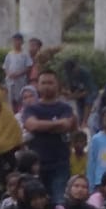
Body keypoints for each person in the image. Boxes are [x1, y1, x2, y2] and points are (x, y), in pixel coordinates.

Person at [20, 70, 77, 201]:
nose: (47, 86)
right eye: (43, 82)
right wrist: (56, 124)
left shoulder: (65, 108)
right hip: (36, 165)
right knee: (37, 201)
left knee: (59, 202)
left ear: (57, 85)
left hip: (60, 163)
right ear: (38, 86)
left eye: (50, 82)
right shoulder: (31, 108)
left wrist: (42, 126)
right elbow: (32, 125)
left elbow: (66, 126)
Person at [2, 34, 31, 106]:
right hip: (10, 81)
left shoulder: (25, 54)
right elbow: (5, 67)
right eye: (14, 41)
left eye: (18, 40)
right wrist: (8, 74)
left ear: (22, 42)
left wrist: (18, 74)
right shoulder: (10, 54)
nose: (16, 43)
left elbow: (28, 67)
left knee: (20, 98)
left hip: (21, 81)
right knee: (10, 99)